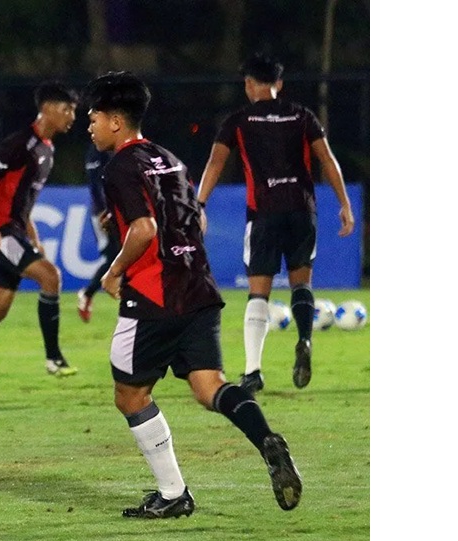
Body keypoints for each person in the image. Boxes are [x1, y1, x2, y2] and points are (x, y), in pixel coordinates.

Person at [85, 71, 302, 518]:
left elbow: (144, 229)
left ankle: (173, 494)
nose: (88, 127)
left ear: (115, 122)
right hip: (199, 287)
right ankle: (266, 439)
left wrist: (114, 270)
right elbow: (193, 222)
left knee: (130, 395)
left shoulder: (120, 166)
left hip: (154, 295)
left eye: (93, 118)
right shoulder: (169, 159)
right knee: (210, 387)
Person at [195, 53, 355, 394]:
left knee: (258, 292)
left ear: (250, 85)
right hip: (301, 210)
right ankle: (305, 339)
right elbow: (327, 159)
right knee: (301, 284)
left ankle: (253, 371)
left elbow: (215, 163)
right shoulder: (301, 116)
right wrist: (344, 203)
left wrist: (200, 203)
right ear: (278, 85)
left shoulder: (238, 120)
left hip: (264, 213)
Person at [0, 81, 79, 377]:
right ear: (47, 109)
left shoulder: (47, 151)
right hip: (1, 234)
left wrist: (34, 236)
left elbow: (21, 202)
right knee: (50, 277)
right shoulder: (20, 143)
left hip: (14, 231)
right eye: (67, 110)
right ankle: (54, 359)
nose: (72, 117)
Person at [76, 144, 118, 323]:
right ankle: (87, 293)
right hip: (103, 213)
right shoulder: (96, 151)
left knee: (121, 254)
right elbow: (94, 185)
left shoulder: (116, 146)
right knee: (113, 256)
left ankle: (88, 294)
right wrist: (104, 211)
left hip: (119, 210)